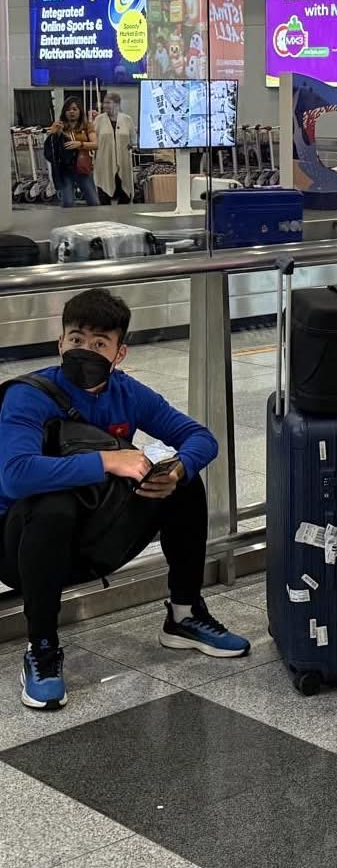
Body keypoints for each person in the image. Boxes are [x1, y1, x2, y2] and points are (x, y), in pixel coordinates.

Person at [0, 289, 251, 712]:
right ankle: (41, 649)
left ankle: (184, 614)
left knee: (183, 484)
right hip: (21, 548)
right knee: (51, 506)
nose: (85, 350)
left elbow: (201, 438)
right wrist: (109, 460)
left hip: (96, 534)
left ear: (119, 353)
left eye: (99, 344)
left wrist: (176, 470)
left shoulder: (127, 393)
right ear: (60, 342)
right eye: (76, 339)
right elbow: (16, 475)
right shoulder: (30, 395)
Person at [47, 97, 99, 208]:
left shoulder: (87, 126)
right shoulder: (59, 126)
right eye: (69, 109)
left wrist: (80, 144)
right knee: (68, 203)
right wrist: (55, 133)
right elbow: (51, 147)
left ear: (80, 111)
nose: (72, 112)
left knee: (94, 201)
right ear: (64, 112)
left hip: (83, 168)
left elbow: (95, 144)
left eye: (75, 109)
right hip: (65, 169)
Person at [94, 93, 135, 204]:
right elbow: (93, 141)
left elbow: (133, 140)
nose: (104, 105)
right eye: (104, 102)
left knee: (124, 194)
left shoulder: (127, 119)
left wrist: (132, 145)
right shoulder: (98, 120)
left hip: (124, 162)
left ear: (117, 104)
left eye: (108, 102)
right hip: (104, 163)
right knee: (104, 194)